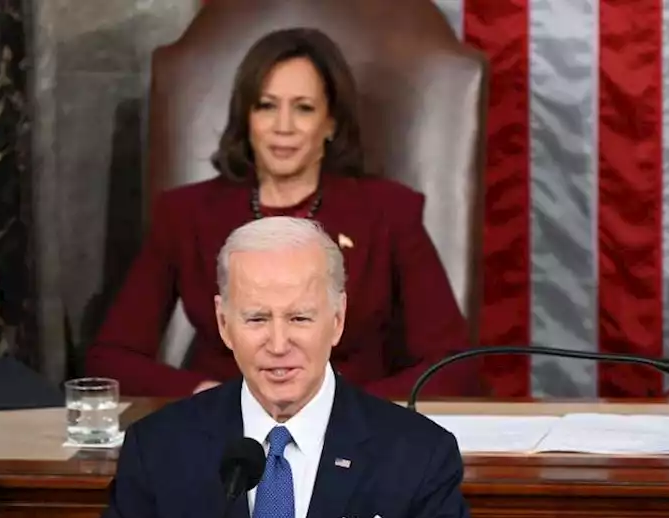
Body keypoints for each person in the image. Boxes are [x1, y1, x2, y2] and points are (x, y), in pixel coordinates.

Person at [50, 216, 499, 518]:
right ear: (225, 324)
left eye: (300, 318)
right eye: (257, 318)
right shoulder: (161, 446)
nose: (279, 344)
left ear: (337, 319)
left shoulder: (416, 452)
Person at [85, 28, 481, 400]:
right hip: (228, 436)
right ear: (247, 119)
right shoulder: (184, 214)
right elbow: (112, 359)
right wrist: (206, 395)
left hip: (353, 440)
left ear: (331, 123)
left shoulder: (389, 212)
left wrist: (352, 409)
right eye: (267, 106)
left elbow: (452, 365)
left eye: (304, 109)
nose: (283, 127)